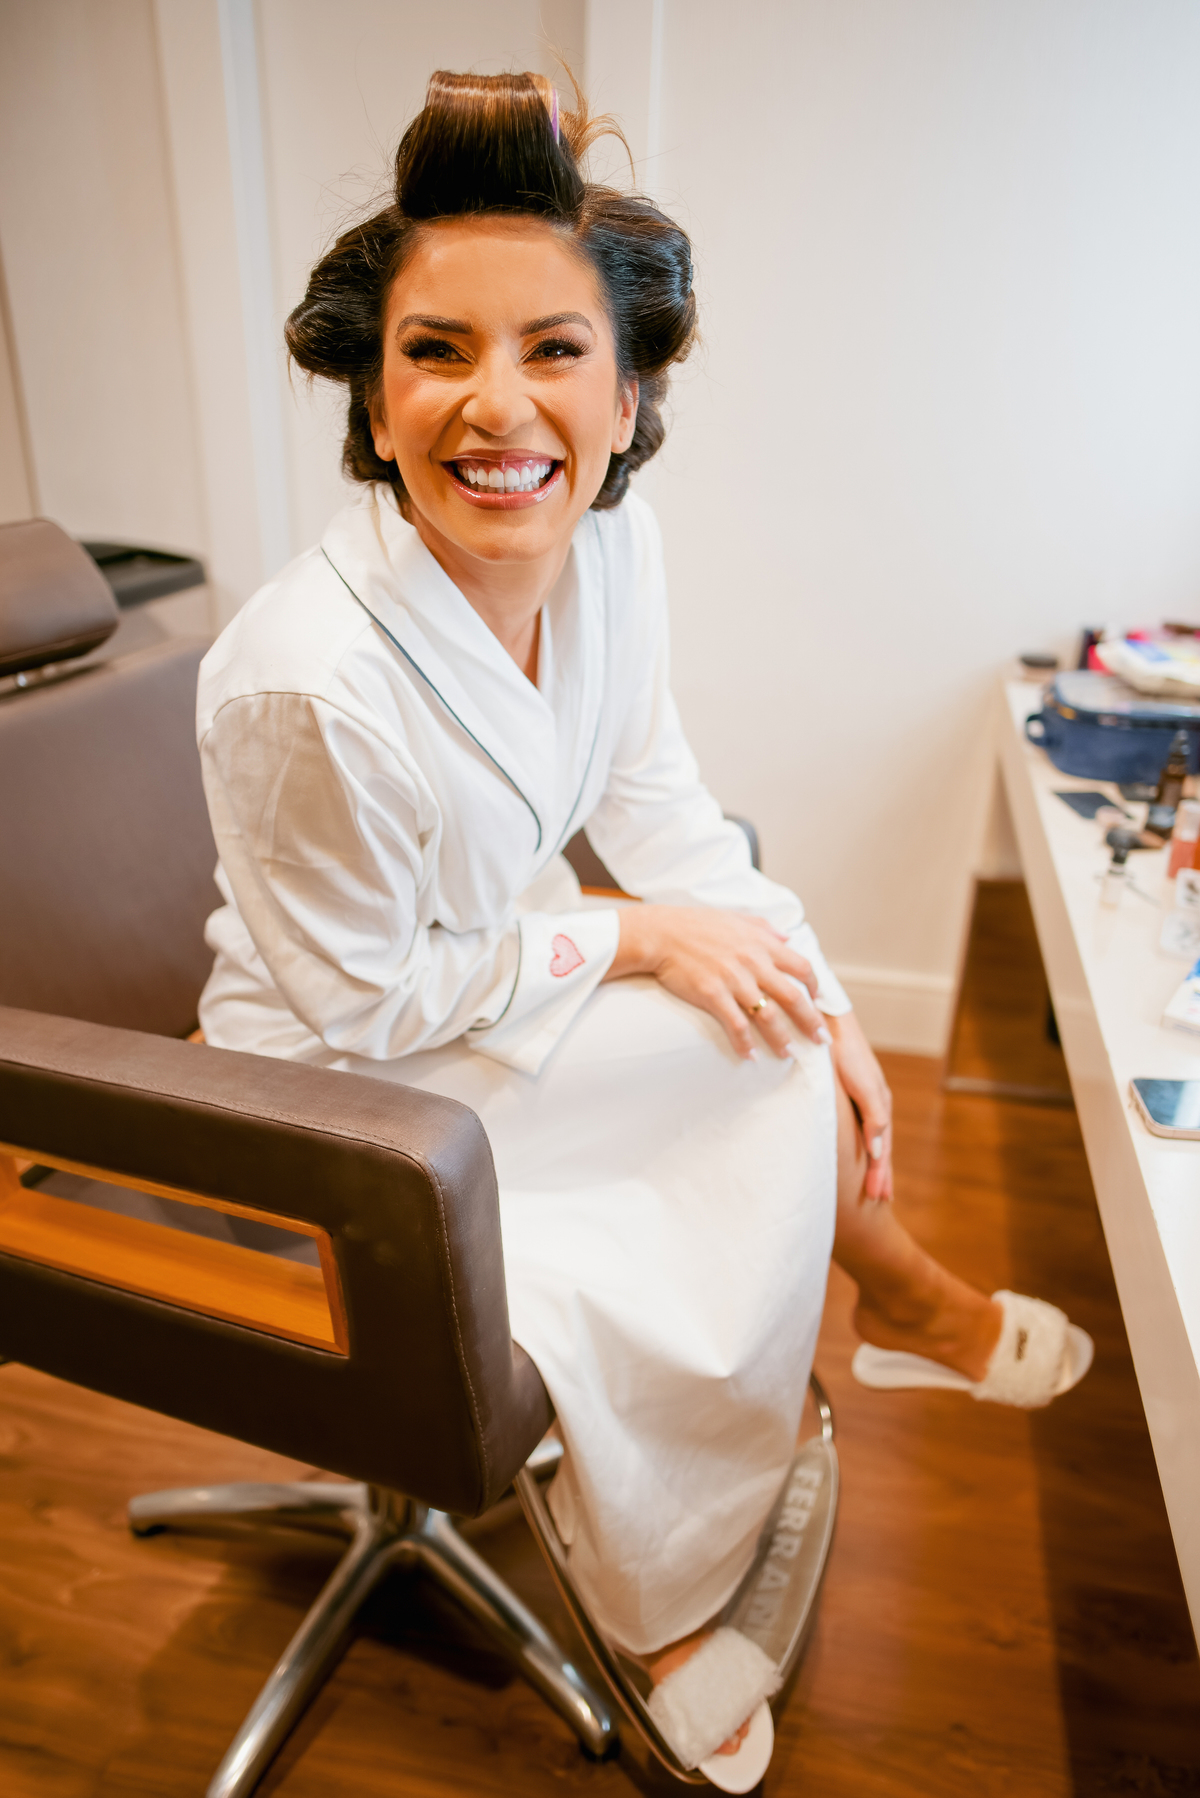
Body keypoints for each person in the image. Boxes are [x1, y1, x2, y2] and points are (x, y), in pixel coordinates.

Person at [195, 70, 1090, 1789]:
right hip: (327, 1078)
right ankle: (665, 1585)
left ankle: (884, 1307)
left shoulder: (611, 556)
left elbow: (665, 805)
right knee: (684, 1124)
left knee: (765, 1032)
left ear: (626, 394)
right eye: (436, 351)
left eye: (552, 349)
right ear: (375, 399)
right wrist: (631, 938)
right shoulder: (306, 680)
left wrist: (820, 991)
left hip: (483, 989)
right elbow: (367, 1000)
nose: (496, 404)